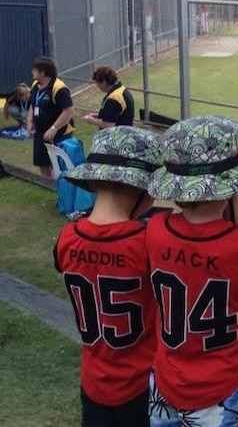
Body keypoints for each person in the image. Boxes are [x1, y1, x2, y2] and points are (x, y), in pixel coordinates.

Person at [144, 115, 238, 427]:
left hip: (167, 381)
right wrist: (236, 213)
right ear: (232, 188)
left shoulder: (155, 229)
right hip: (229, 387)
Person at [53, 125, 164, 427]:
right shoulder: (148, 242)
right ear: (140, 189)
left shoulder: (66, 238)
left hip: (93, 380)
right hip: (141, 385)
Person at [27, 55, 75, 178]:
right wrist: (30, 121)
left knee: (58, 163)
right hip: (40, 132)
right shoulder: (35, 85)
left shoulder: (59, 88)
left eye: (34, 69)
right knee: (42, 162)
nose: (31, 72)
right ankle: (48, 185)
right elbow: (33, 104)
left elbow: (68, 110)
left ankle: (61, 186)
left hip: (59, 134)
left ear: (43, 72)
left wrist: (54, 128)